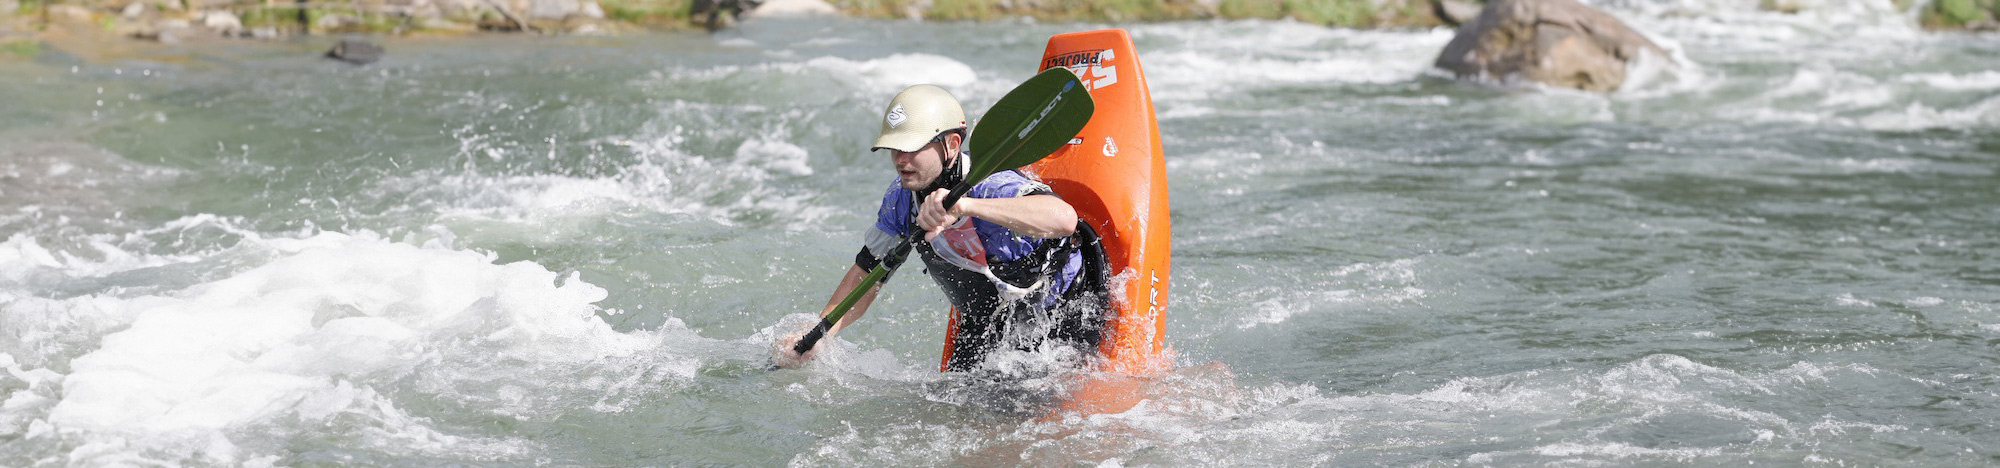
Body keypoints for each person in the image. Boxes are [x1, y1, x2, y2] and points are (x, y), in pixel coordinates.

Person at [774, 84, 1110, 372]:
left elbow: (1064, 220)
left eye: (911, 147)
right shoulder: (900, 199)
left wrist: (965, 206)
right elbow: (867, 272)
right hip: (985, 324)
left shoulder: (993, 183)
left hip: (1064, 310)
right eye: (894, 148)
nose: (900, 159)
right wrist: (820, 333)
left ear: (950, 144)